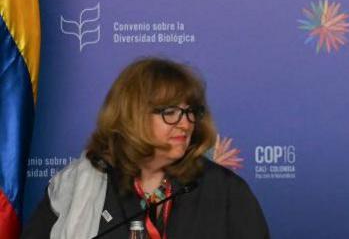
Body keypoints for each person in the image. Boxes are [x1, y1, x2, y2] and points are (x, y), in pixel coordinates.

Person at [22, 57, 269, 238]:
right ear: (133, 116)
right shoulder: (76, 185)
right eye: (170, 112)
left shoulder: (226, 191)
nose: (185, 123)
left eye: (190, 112)